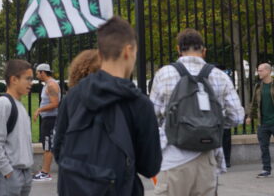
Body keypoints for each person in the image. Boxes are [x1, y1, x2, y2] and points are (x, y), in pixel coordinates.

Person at [53, 16, 162, 195]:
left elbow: (59, 151)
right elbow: (150, 167)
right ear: (128, 51)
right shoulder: (140, 104)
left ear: (100, 54)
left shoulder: (73, 97)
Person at [150, 28, 244, 195]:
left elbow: (152, 117)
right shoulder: (219, 76)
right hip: (207, 158)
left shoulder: (164, 74)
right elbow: (237, 116)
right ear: (204, 51)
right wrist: (212, 123)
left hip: (173, 159)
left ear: (178, 49)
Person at [0, 59, 34, 196]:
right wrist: (7, 171)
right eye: (28, 79)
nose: (31, 83)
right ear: (14, 79)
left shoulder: (19, 105)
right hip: (8, 173)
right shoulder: (4, 104)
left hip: (24, 172)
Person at [32, 63, 60, 181]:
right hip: (48, 119)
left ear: (43, 72)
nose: (36, 75)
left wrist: (39, 109)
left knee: (48, 147)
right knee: (47, 146)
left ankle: (45, 173)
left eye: (37, 73)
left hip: (50, 119)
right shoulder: (48, 84)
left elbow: (55, 103)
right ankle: (44, 171)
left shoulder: (51, 85)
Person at [246, 62, 274, 178]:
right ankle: (266, 169)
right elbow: (254, 103)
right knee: (264, 147)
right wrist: (249, 116)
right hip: (263, 123)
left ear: (268, 71)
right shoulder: (258, 86)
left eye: (261, 70)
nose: (259, 72)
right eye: (258, 70)